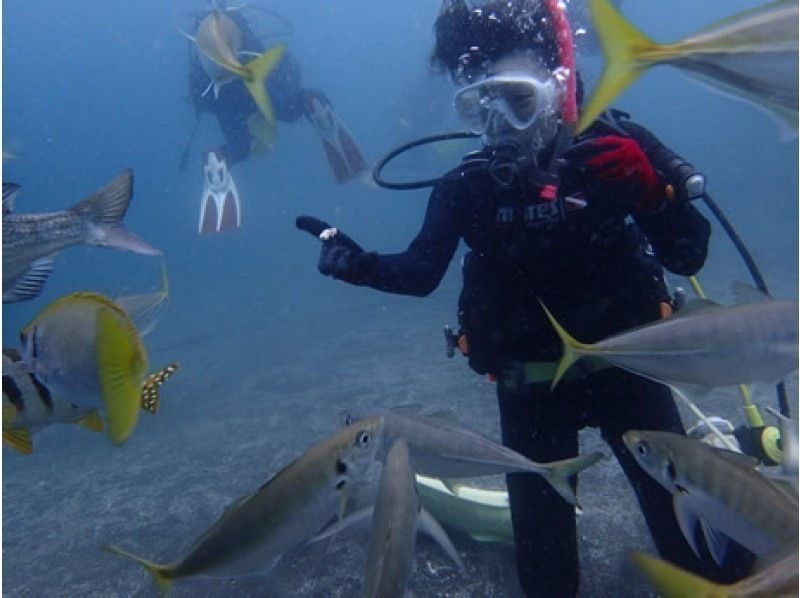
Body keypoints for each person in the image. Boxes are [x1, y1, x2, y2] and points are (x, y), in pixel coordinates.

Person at [297, 1, 750, 596]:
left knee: (704, 561)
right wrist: (357, 264)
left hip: (630, 371)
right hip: (529, 387)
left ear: (558, 88)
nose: (501, 123)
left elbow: (688, 256)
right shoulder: (469, 184)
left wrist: (652, 192)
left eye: (518, 99)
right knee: (545, 575)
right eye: (482, 105)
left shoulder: (617, 149)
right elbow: (418, 272)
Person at [184, 4, 367, 234]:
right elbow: (258, 53)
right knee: (289, 110)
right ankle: (314, 107)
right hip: (252, 77)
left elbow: (200, 93)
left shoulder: (199, 36)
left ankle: (218, 160)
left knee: (239, 146)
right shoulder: (237, 20)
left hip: (223, 96)